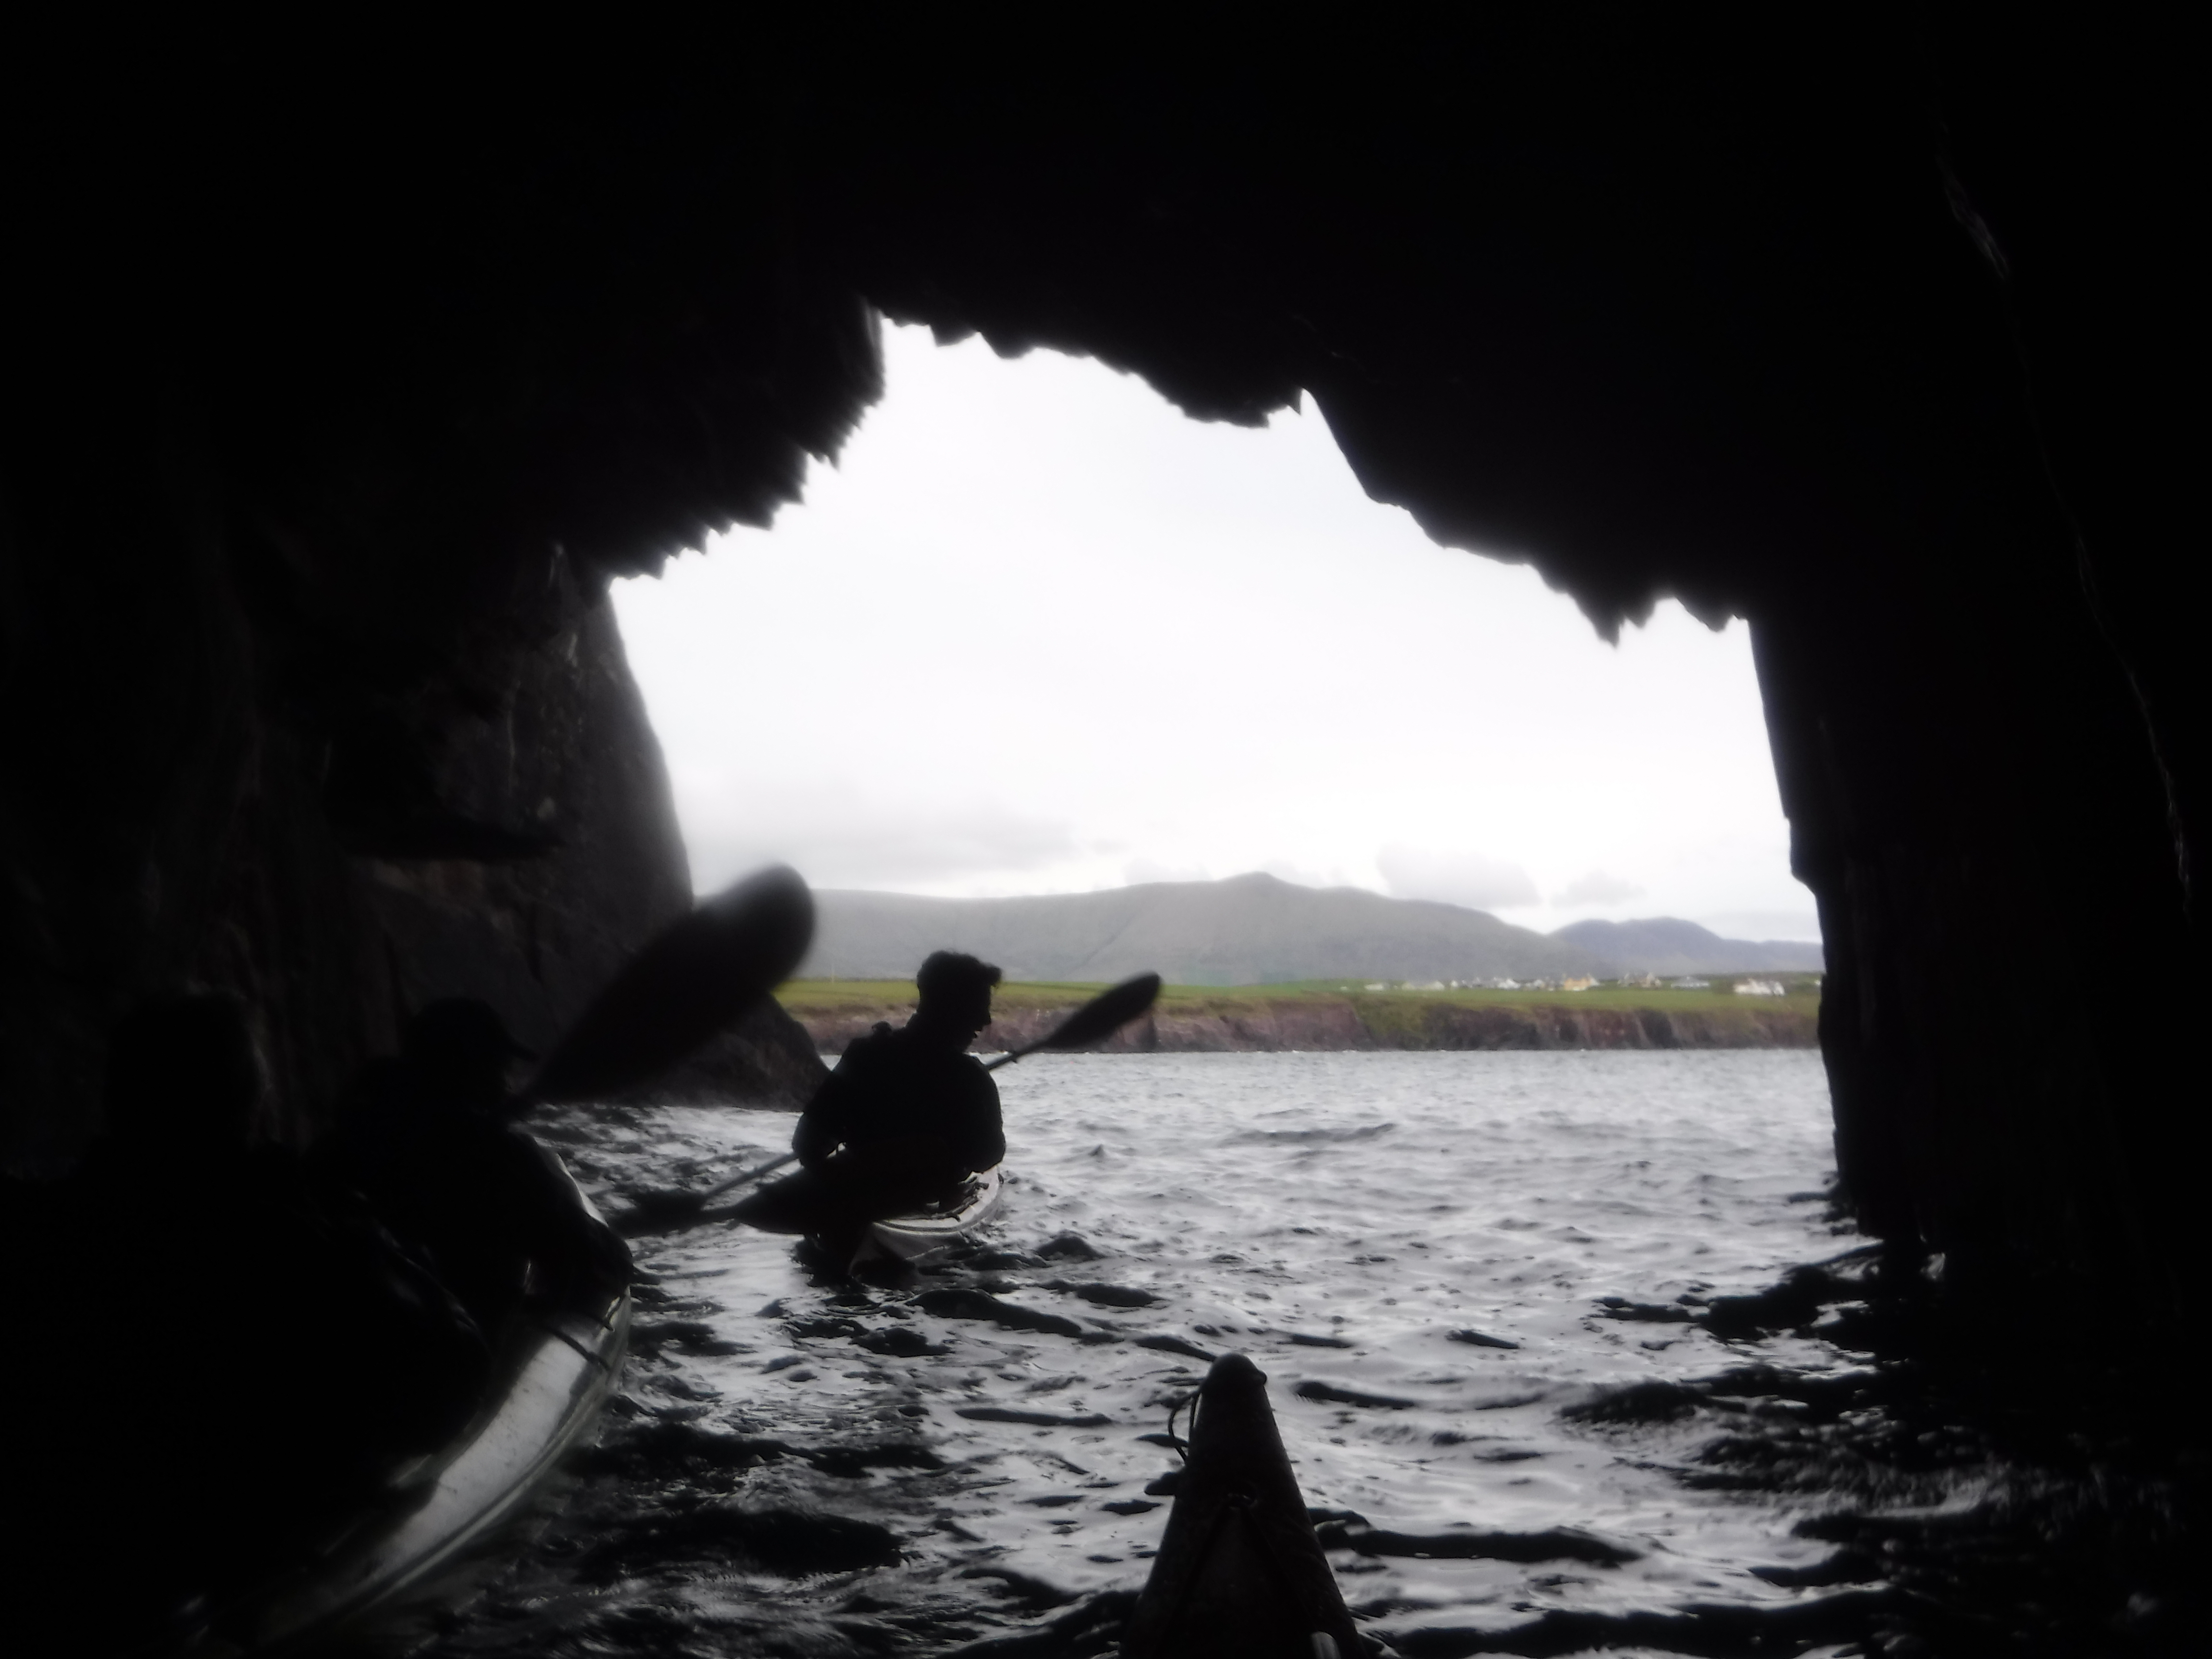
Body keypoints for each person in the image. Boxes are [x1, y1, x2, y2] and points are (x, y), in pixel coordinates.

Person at [345, 998, 630, 1329]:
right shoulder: (502, 1158)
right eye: (499, 1066)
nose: (507, 1079)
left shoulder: (351, 1137)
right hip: (453, 1341)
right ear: (475, 1071)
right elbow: (597, 1263)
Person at [741, 951, 1006, 1262]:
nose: (985, 1021)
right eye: (978, 1007)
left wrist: (839, 1177)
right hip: (919, 1202)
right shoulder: (970, 1077)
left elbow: (807, 1144)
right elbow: (989, 1155)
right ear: (950, 1006)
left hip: (852, 1201)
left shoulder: (864, 1055)